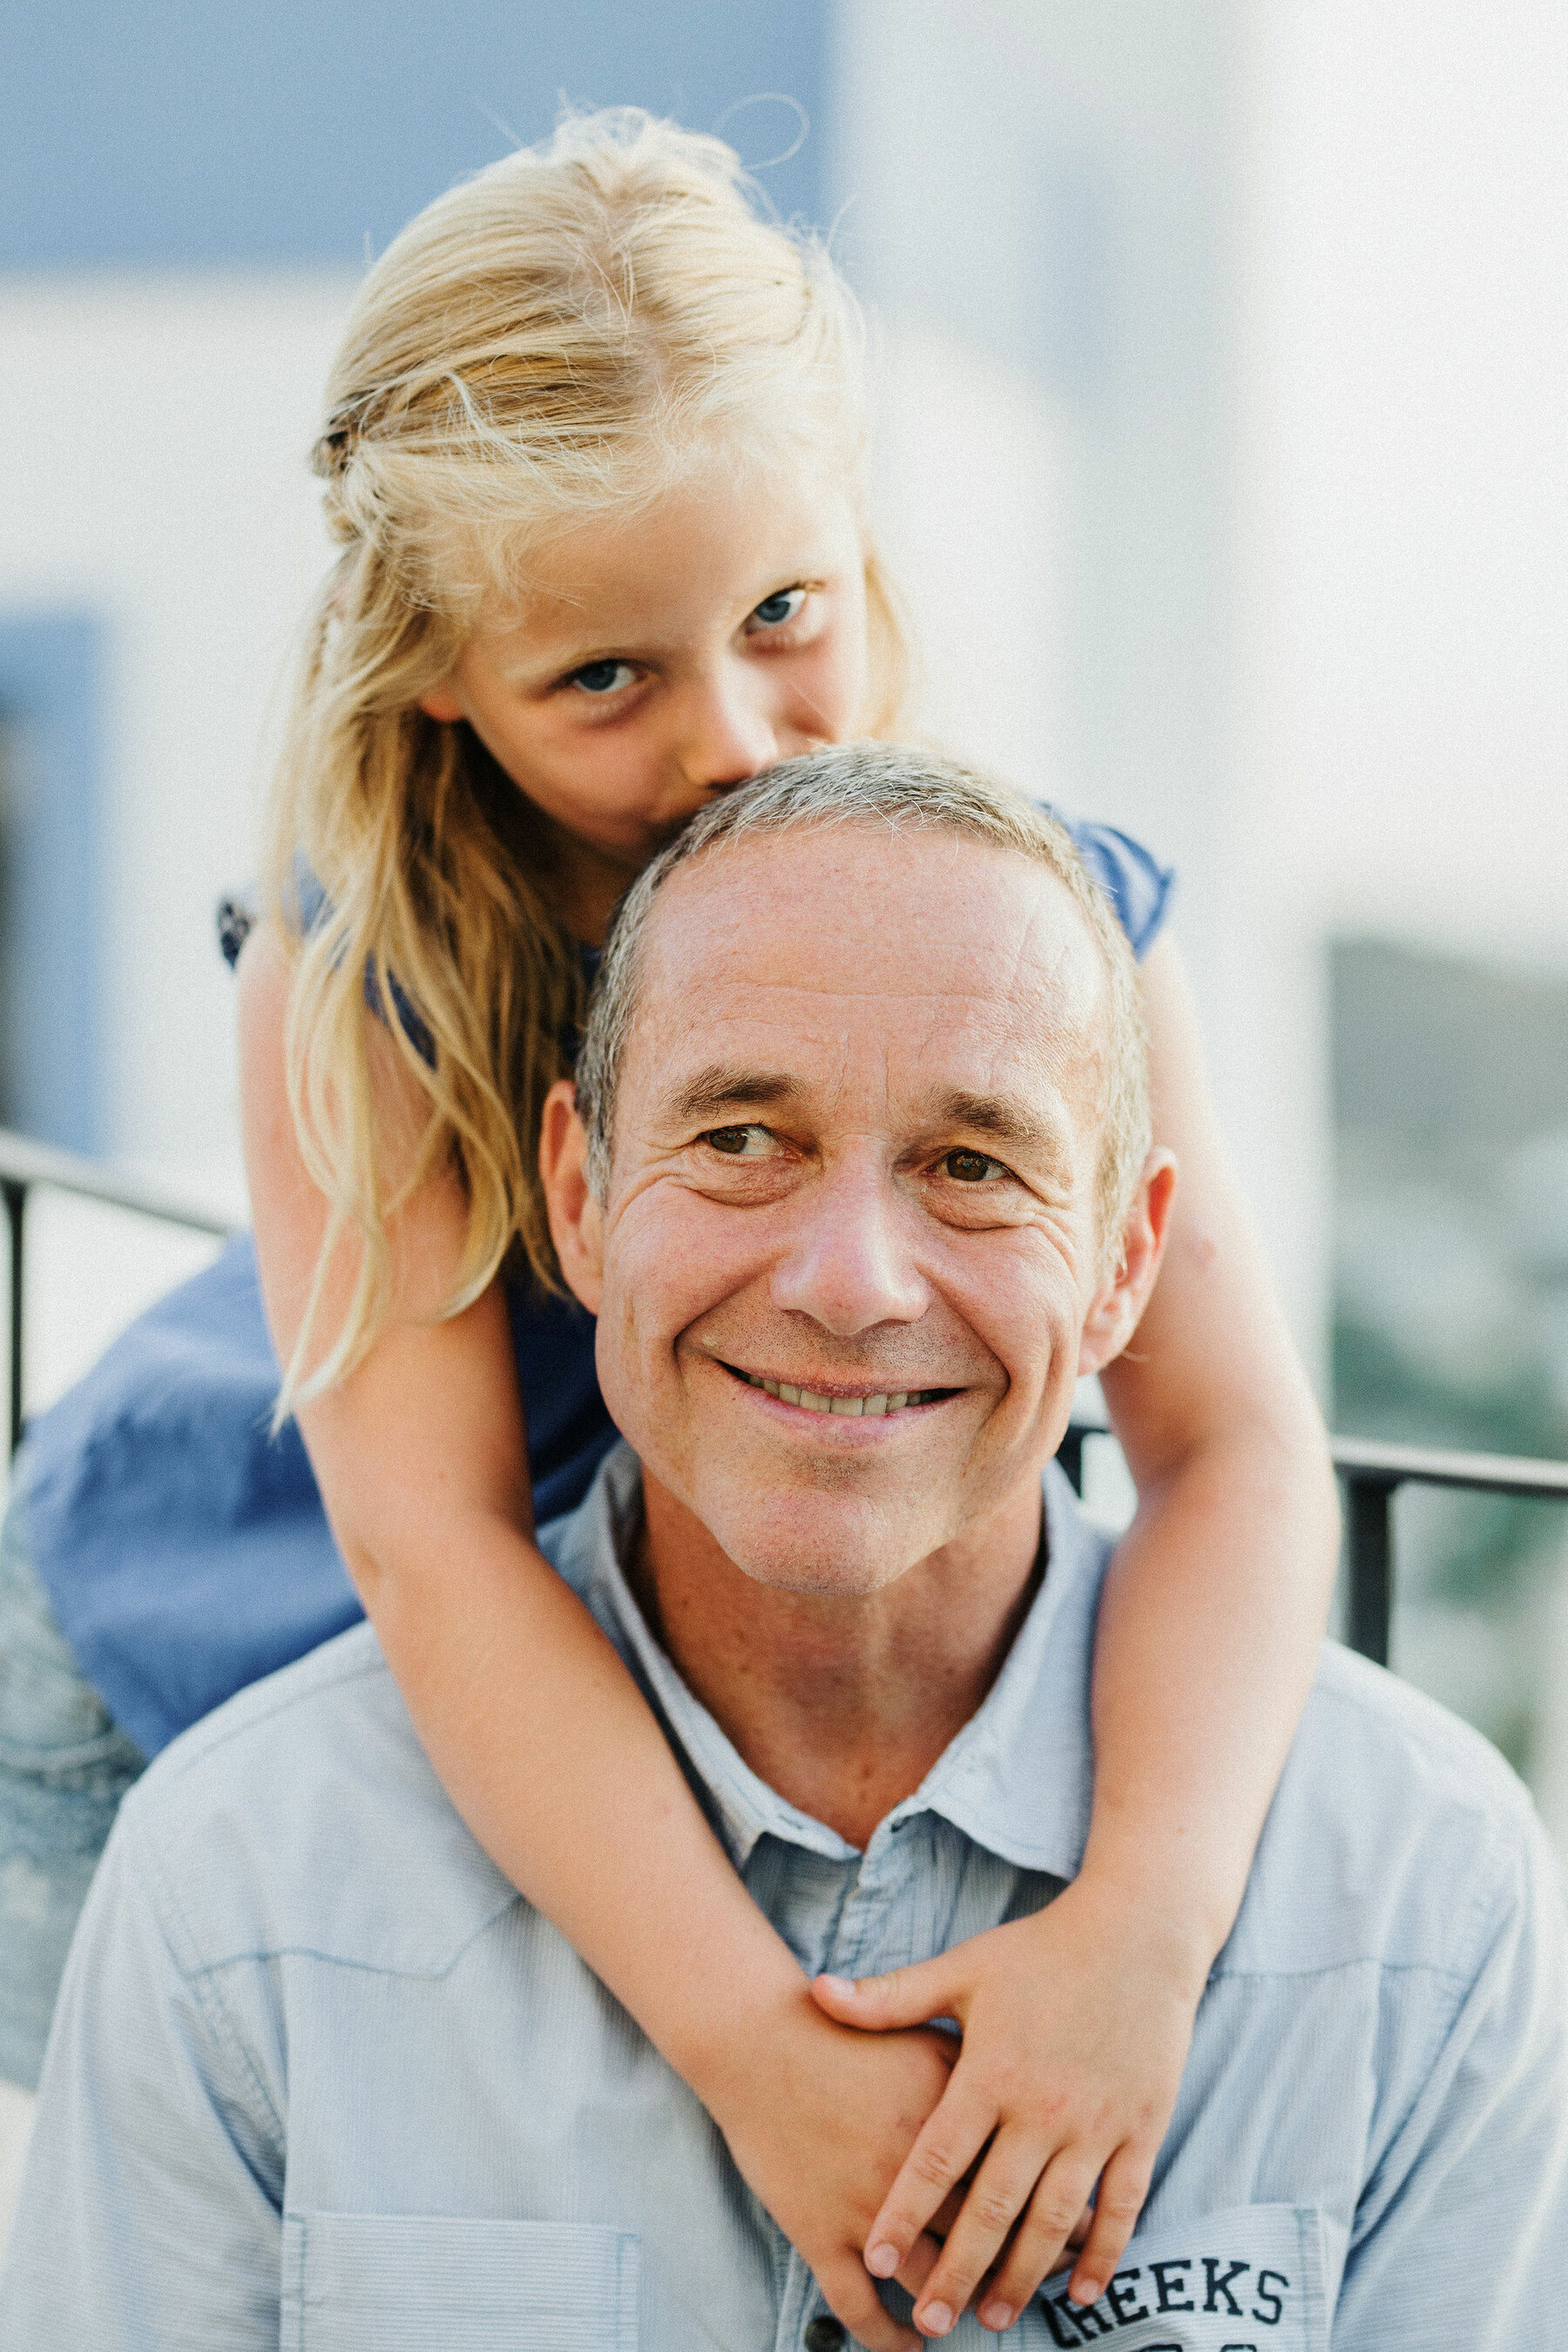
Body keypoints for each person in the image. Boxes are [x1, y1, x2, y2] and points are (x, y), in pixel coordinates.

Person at [0, 112, 1339, 2332]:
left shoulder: (1056, 931)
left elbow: (1240, 1448)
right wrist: (745, 2051)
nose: (729, 732)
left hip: (645, 1674)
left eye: (785, 615)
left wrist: (1144, 1925)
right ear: (438, 673)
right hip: (194, 1660)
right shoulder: (370, 955)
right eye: (605, 679)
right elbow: (427, 1549)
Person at [4, 752, 1562, 2352]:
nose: (852, 1282)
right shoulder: (242, 1894)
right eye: (743, 1137)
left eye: (972, 1165)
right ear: (579, 1196)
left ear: (1125, 1264)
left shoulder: (1419, 1901)